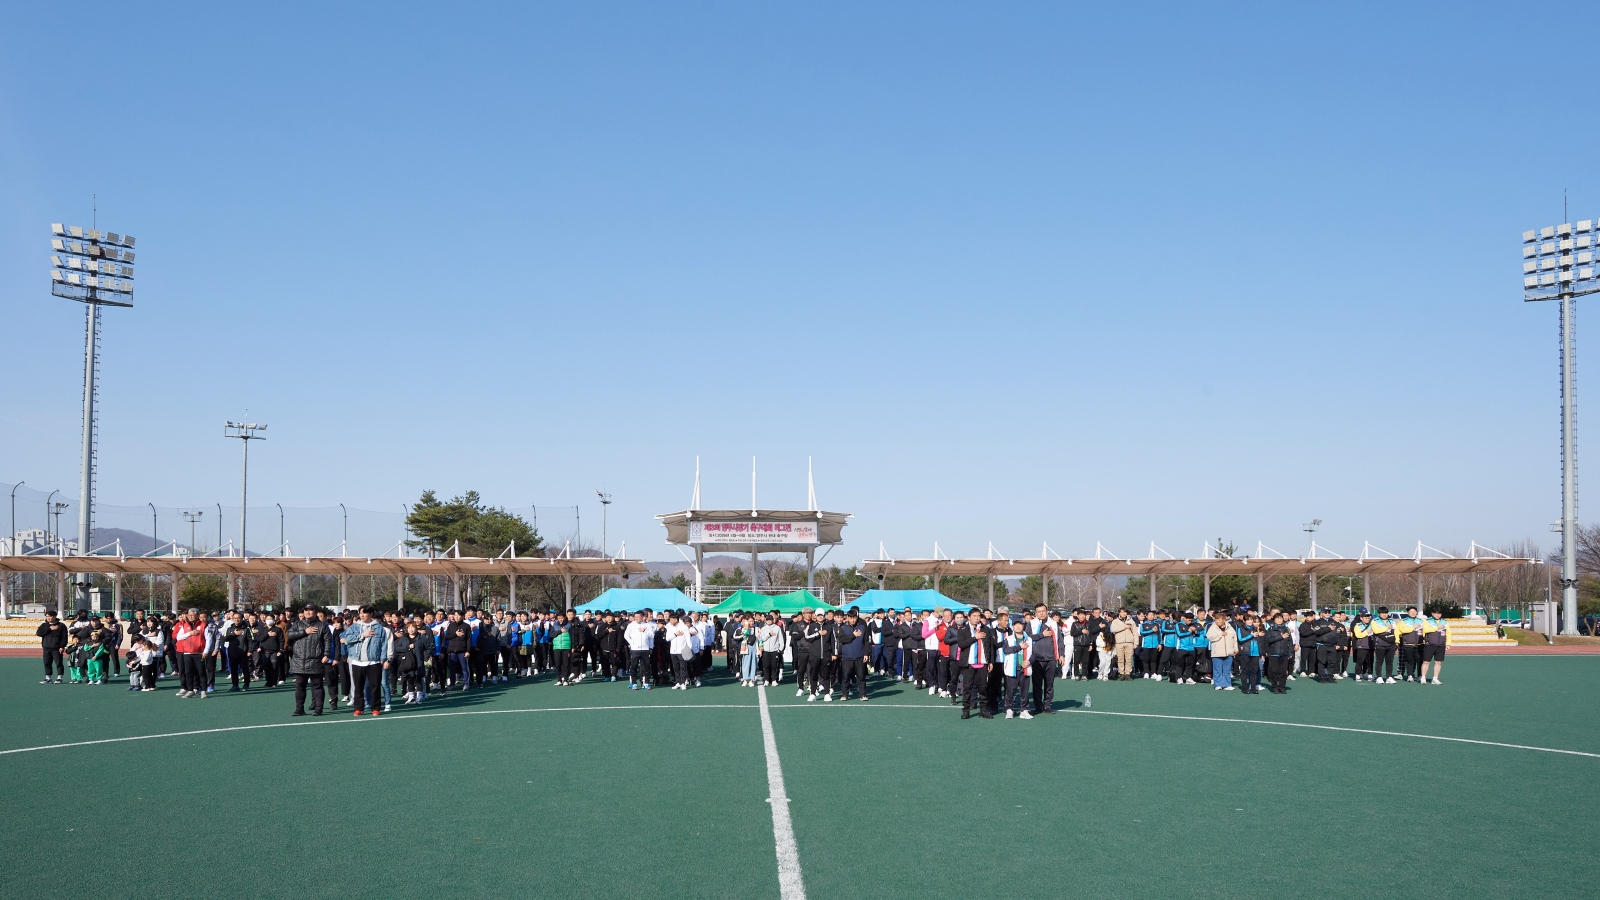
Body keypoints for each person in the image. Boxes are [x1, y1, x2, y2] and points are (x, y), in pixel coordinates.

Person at [341, 606, 391, 716]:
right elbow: (347, 640)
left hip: (374, 662)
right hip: (357, 661)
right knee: (358, 687)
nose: (362, 615)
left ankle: (375, 708)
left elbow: (384, 644)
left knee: (375, 686)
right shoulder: (354, 627)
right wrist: (362, 635)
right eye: (360, 613)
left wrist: (383, 659)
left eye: (364, 613)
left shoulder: (379, 628)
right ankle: (359, 708)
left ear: (371, 614)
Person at [287, 607, 329, 716]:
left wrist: (326, 655)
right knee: (300, 685)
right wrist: (305, 631)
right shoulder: (298, 624)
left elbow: (328, 641)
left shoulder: (322, 625)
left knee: (317, 685)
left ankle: (318, 708)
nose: (307, 612)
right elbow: (289, 635)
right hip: (299, 659)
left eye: (310, 611)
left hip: (316, 659)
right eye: (305, 611)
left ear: (315, 612)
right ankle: (299, 709)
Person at [1000, 620, 1033, 719]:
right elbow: (1006, 650)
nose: (1018, 627)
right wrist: (1019, 646)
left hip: (1025, 669)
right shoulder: (1008, 639)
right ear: (1013, 627)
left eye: (1020, 625)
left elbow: (1035, 653)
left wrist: (1029, 661)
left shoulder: (1029, 639)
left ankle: (1024, 710)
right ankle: (1009, 709)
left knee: (1024, 691)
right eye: (1016, 625)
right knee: (1010, 691)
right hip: (1012, 669)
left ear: (1023, 626)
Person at [173, 609, 208, 699]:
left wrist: (206, 651)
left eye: (193, 615)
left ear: (197, 615)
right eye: (189, 615)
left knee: (201, 672)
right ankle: (190, 690)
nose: (191, 617)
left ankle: (203, 690)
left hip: (199, 652)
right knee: (188, 672)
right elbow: (178, 637)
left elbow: (209, 639)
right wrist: (190, 633)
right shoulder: (185, 625)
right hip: (187, 652)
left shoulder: (204, 625)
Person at [836, 609, 869, 701]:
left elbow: (866, 641)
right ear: (847, 618)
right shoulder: (842, 628)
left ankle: (863, 695)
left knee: (861, 677)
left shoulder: (862, 627)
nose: (853, 620)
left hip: (860, 656)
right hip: (847, 657)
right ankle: (844, 695)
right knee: (845, 677)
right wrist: (853, 635)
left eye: (854, 618)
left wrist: (866, 653)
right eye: (851, 618)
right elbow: (842, 639)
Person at [1206, 612, 1238, 690]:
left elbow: (1234, 639)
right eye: (1216, 620)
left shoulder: (1230, 627)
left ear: (1224, 620)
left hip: (1229, 652)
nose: (1217, 621)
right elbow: (1209, 637)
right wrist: (1220, 634)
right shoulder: (1212, 627)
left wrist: (1236, 648)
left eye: (1219, 620)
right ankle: (1218, 684)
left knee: (1227, 670)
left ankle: (1227, 684)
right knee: (1217, 670)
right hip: (1217, 653)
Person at [623, 611, 655, 690]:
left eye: (638, 617)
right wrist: (632, 643)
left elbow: (652, 636)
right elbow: (626, 635)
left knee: (646, 666)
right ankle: (633, 683)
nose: (636, 618)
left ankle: (646, 683)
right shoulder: (631, 625)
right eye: (635, 617)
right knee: (634, 666)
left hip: (645, 649)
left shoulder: (647, 625)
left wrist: (651, 647)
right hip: (635, 649)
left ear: (643, 617)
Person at [1263, 613, 1294, 694]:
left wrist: (1290, 652)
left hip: (1284, 653)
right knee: (1274, 671)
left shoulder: (1286, 629)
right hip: (1274, 653)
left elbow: (1290, 642)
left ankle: (1282, 687)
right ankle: (1275, 687)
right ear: (1274, 620)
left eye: (1281, 618)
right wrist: (1281, 637)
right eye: (1277, 618)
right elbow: (1268, 640)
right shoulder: (1270, 629)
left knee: (1283, 671)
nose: (1279, 620)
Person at [665, 612, 695, 689]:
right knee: (675, 667)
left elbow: (688, 639)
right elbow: (667, 638)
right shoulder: (669, 627)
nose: (670, 621)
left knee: (683, 667)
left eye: (671, 619)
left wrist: (689, 649)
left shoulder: (684, 627)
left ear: (675, 619)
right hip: (673, 651)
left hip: (682, 651)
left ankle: (683, 683)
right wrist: (675, 634)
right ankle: (677, 682)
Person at [37, 610, 67, 684]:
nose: (48, 618)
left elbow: (64, 637)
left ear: (54, 616)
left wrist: (62, 646)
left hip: (57, 648)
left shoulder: (61, 625)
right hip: (46, 648)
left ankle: (59, 678)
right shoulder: (44, 625)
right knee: (47, 663)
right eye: (47, 616)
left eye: (50, 616)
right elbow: (39, 633)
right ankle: (48, 678)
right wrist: (49, 629)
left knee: (59, 663)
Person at [757, 613, 785, 688]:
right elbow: (761, 638)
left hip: (774, 650)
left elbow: (781, 639)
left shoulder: (777, 628)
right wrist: (768, 635)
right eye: (767, 620)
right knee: (766, 666)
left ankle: (774, 680)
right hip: (765, 650)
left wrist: (780, 649)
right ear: (766, 621)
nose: (769, 621)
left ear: (773, 620)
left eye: (770, 620)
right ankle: (766, 680)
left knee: (774, 666)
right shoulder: (763, 628)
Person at [1370, 608, 1398, 684]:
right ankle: (1379, 677)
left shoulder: (1391, 621)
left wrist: (1397, 642)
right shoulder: (1374, 621)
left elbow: (1396, 631)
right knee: (1379, 662)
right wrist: (1386, 628)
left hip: (1391, 644)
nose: (1384, 614)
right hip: (1380, 644)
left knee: (1390, 662)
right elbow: (1376, 631)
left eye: (1386, 613)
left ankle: (1389, 677)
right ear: (1379, 614)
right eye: (1382, 613)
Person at [1421, 610, 1449, 684]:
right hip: (1430, 644)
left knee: (1438, 662)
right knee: (1426, 662)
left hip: (1441, 645)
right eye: (1436, 613)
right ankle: (1423, 677)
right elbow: (1425, 630)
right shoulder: (1427, 621)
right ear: (1432, 613)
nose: (1438, 615)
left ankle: (1435, 678)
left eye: (1439, 613)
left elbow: (1448, 633)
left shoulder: (1445, 622)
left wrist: (1448, 643)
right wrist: (1437, 627)